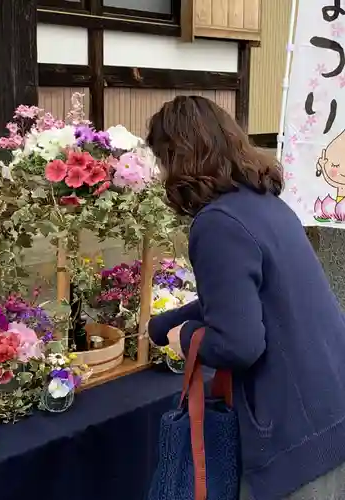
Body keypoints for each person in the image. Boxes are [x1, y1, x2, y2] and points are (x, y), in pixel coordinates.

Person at [146, 95, 345, 500]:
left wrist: (185, 339)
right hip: (328, 408)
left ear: (176, 158)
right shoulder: (265, 204)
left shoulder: (217, 223)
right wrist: (163, 325)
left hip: (294, 433)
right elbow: (240, 299)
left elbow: (238, 344)